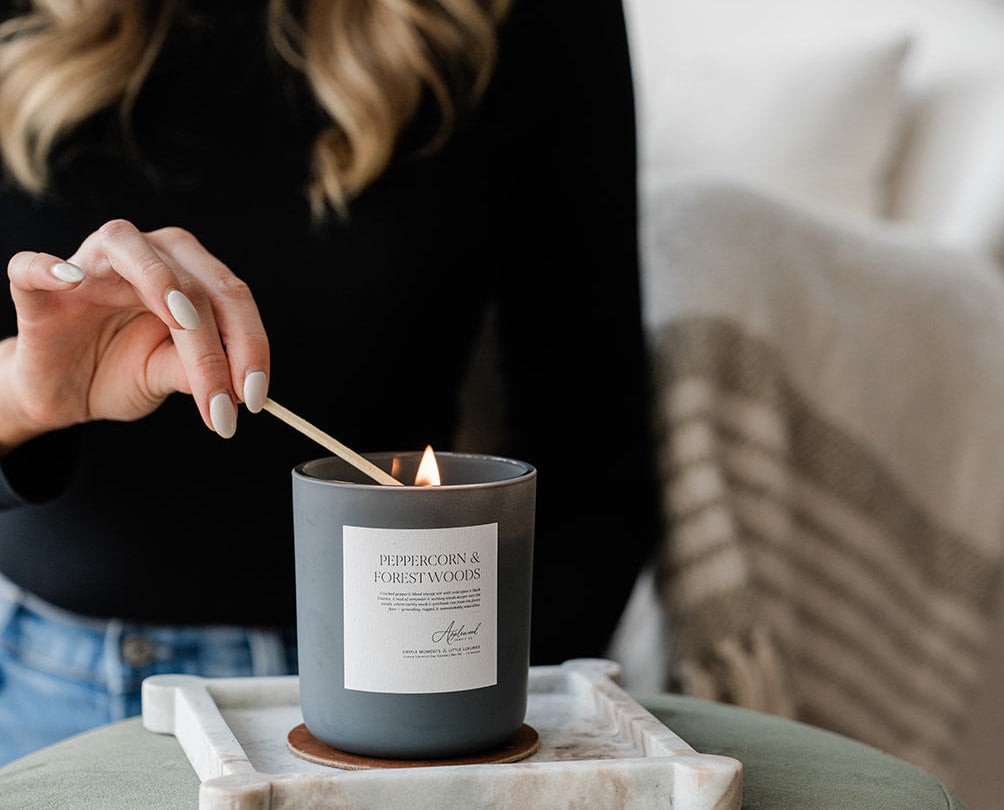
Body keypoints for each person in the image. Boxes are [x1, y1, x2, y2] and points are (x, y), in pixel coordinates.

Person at [0, 0, 660, 765]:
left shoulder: (516, 20)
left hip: (409, 687)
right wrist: (25, 395)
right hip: (52, 701)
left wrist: (482, 716)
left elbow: (594, 445)